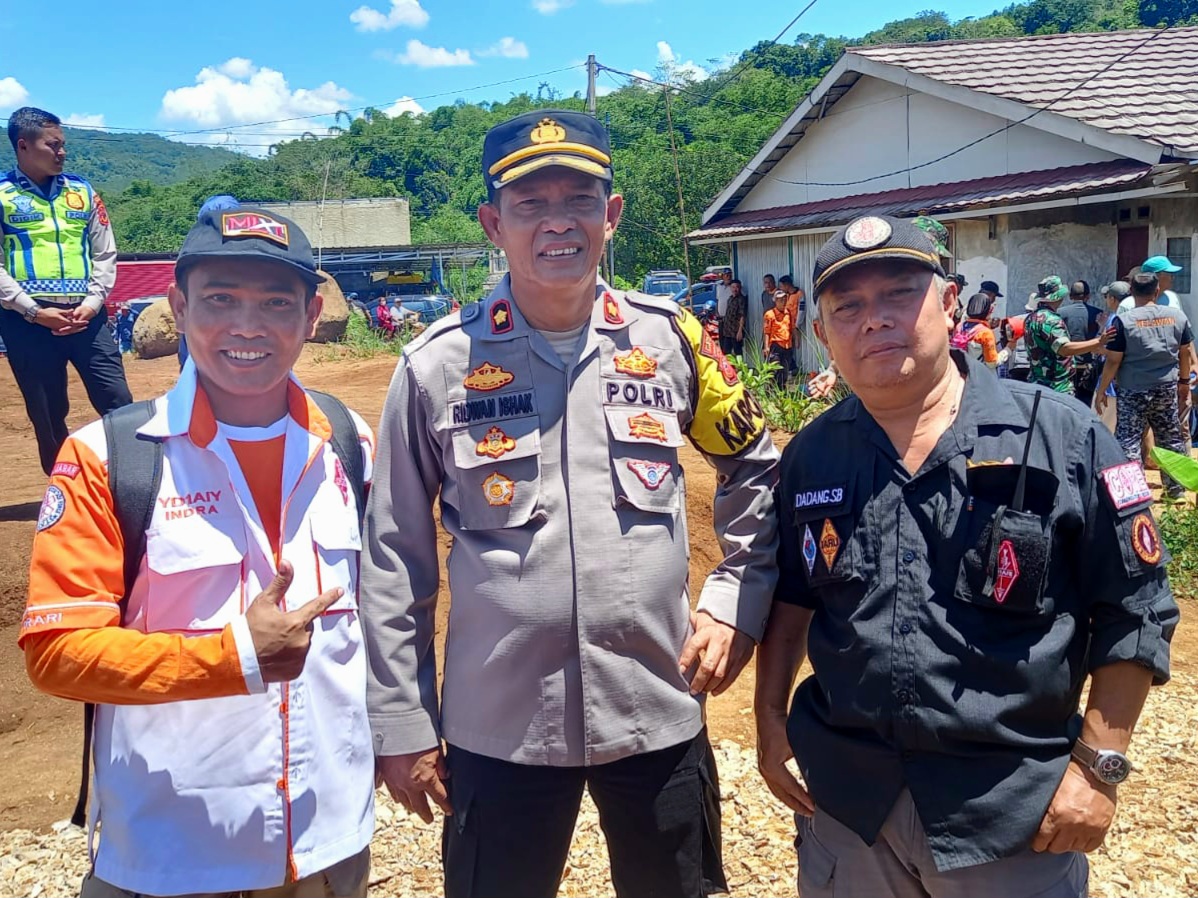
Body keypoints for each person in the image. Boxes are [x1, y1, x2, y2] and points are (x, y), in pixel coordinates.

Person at [361, 109, 779, 898]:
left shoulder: (673, 341)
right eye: (529, 204)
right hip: (500, 724)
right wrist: (403, 723)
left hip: (656, 703)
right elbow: (392, 557)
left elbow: (758, 468)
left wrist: (731, 601)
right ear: (493, 223)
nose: (558, 222)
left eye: (580, 199)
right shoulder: (436, 366)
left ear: (611, 215)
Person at [755, 214, 1178, 898]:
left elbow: (1135, 610)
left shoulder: (1062, 435)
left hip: (1010, 815)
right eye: (849, 307)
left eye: (899, 294)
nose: (874, 320)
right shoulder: (813, 453)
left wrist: (1100, 767)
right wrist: (770, 722)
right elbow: (795, 599)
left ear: (949, 302)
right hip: (849, 811)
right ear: (822, 332)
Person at [19, 206, 376, 896]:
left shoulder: (347, 439)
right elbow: (57, 652)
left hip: (330, 844)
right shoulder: (109, 458)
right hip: (170, 854)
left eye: (276, 303)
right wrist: (230, 659)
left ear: (312, 315)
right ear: (178, 308)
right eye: (220, 300)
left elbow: (384, 612)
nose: (248, 326)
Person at [0, 106, 132, 474]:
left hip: (86, 316)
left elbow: (105, 251)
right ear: (23, 145)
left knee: (118, 400)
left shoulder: (83, 192)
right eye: (53, 145)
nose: (62, 152)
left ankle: (131, 477)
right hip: (28, 323)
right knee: (47, 411)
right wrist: (32, 310)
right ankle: (65, 488)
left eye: (63, 145)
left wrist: (92, 303)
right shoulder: (2, 195)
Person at [1096, 272, 1192, 500]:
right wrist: (1184, 383)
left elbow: (1114, 359)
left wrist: (1102, 389)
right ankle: (1175, 491)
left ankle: (1132, 494)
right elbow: (1186, 351)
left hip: (1132, 389)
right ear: (1157, 291)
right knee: (1170, 436)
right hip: (1166, 388)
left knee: (1128, 439)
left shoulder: (1124, 321)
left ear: (1132, 292)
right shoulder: (1176, 317)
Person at [1025, 275, 1112, 396]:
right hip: (1056, 386)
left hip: (1037, 381)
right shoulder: (1051, 320)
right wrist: (1098, 342)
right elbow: (1064, 349)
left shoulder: (1032, 317)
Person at [1057, 279, 1105, 408]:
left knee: (1066, 403)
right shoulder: (1097, 313)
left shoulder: (1060, 313)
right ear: (1088, 296)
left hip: (1067, 366)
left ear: (1071, 296)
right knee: (1085, 404)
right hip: (1089, 368)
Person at [951, 292, 1005, 369]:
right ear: (987, 311)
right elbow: (992, 363)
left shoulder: (959, 327)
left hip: (962, 374)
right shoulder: (985, 333)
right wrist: (1007, 351)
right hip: (979, 376)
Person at [764, 288, 794, 388]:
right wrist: (766, 347)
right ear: (775, 301)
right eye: (781, 300)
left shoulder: (788, 313)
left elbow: (791, 328)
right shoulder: (770, 314)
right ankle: (770, 392)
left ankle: (782, 391)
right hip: (776, 345)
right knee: (774, 370)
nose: (783, 302)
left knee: (785, 370)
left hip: (787, 346)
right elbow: (767, 331)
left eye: (785, 300)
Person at [779, 274, 805, 376]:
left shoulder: (799, 294)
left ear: (786, 285)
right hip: (786, 325)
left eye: (781, 286)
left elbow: (801, 310)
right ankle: (789, 367)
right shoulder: (786, 296)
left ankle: (792, 368)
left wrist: (798, 324)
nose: (781, 288)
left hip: (794, 325)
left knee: (795, 345)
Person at [719, 277, 747, 357]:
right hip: (727, 331)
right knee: (726, 353)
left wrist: (740, 331)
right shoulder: (730, 299)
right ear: (730, 288)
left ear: (740, 288)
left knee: (738, 352)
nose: (735, 289)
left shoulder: (741, 299)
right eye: (733, 287)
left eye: (737, 287)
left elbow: (742, 316)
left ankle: (740, 369)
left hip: (735, 331)